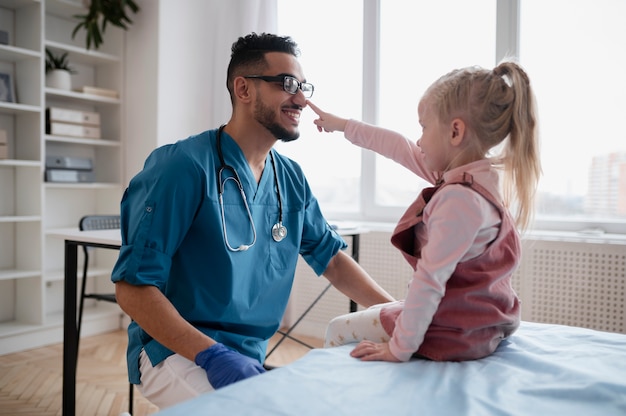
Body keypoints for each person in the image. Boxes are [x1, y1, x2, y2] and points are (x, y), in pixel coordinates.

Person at [111, 32, 394, 409]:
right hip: (174, 350)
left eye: (303, 86)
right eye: (286, 84)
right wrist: (211, 355)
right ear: (243, 89)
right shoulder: (184, 167)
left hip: (247, 354)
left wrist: (398, 315)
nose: (301, 99)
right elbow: (132, 289)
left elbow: (333, 260)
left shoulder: (289, 178)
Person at [309, 61, 541, 363]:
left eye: (424, 127)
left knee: (337, 328)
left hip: (456, 332)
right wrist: (343, 125)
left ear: (455, 131)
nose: (419, 139)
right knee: (384, 310)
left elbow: (429, 282)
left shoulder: (458, 200)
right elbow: (400, 147)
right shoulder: (479, 181)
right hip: (483, 323)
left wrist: (398, 349)